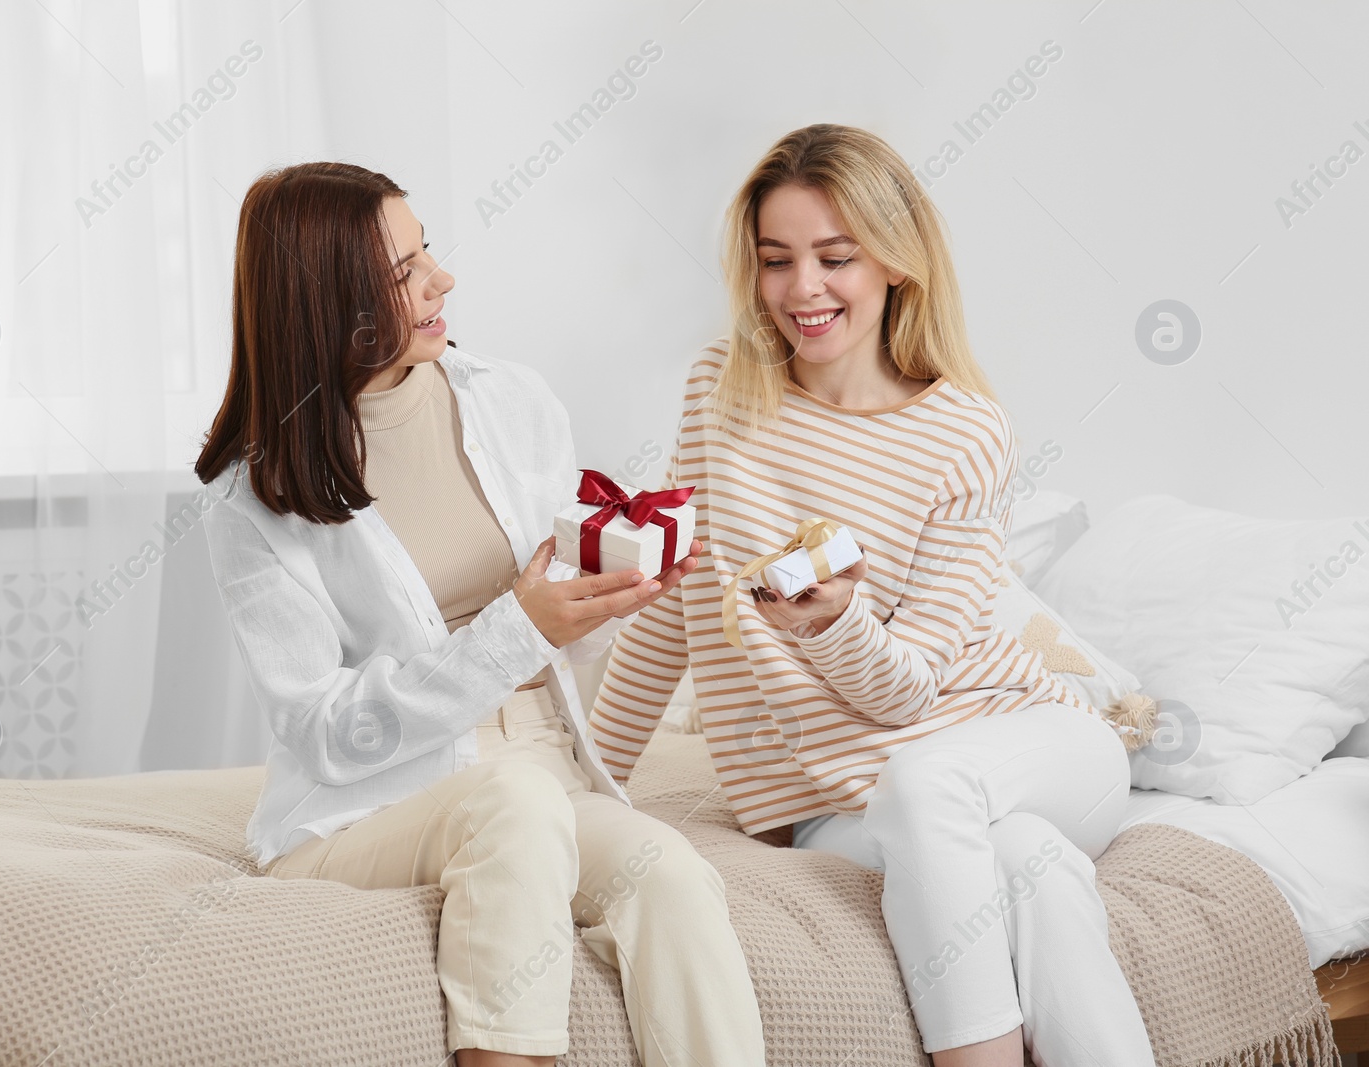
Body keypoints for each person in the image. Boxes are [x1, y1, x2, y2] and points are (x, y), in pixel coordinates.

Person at [589, 125, 1155, 1067]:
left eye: (834, 257)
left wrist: (834, 623)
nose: (802, 289)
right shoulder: (718, 393)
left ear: (896, 261)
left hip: (1033, 744)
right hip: (834, 806)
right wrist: (586, 784)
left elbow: (909, 693)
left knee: (929, 779)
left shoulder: (967, 434)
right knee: (1036, 873)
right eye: (776, 261)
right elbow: (669, 613)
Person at [195, 161, 765, 1067]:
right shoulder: (255, 501)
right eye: (402, 270)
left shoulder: (512, 400)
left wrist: (616, 578)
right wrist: (522, 626)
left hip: (542, 764)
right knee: (516, 799)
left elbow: (557, 601)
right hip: (367, 805)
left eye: (429, 253)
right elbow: (325, 732)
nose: (441, 280)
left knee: (675, 878)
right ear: (327, 299)